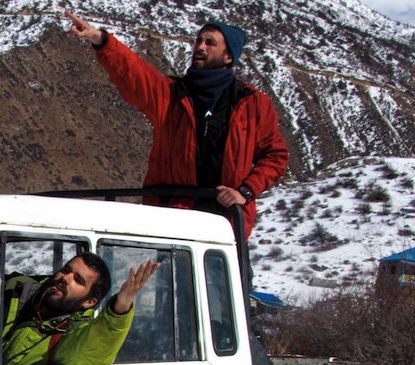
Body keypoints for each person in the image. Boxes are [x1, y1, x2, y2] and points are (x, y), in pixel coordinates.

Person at [65, 13, 289, 237]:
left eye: (210, 43)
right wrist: (102, 40)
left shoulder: (252, 103)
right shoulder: (171, 94)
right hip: (173, 215)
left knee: (234, 272)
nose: (200, 47)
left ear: (228, 56)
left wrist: (246, 191)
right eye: (199, 41)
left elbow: (275, 156)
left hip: (225, 222)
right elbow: (135, 75)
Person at [0, 252, 160, 365]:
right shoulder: (13, 288)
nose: (65, 278)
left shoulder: (68, 334)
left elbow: (94, 352)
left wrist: (121, 307)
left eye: (78, 280)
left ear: (89, 302)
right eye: (66, 270)